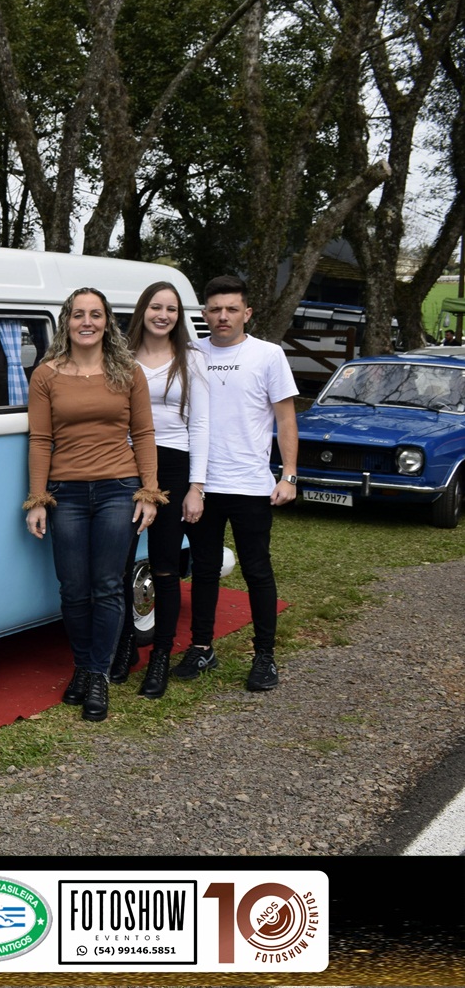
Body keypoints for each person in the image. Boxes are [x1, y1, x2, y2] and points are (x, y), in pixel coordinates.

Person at [25, 287, 164, 721]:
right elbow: (40, 440)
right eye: (79, 314)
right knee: (72, 588)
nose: (87, 322)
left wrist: (149, 492)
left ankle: (98, 674)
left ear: (107, 323)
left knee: (106, 585)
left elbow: (144, 434)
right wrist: (37, 499)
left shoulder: (128, 373)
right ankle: (83, 666)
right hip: (65, 493)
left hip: (117, 490)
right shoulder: (46, 375)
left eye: (96, 314)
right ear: (66, 321)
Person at [178, 274, 298, 691]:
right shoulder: (190, 353)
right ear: (204, 313)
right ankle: (201, 648)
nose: (223, 316)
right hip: (202, 485)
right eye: (215, 309)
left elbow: (286, 418)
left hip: (250, 485)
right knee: (204, 569)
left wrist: (289, 475)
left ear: (247, 312)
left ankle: (264, 656)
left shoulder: (268, 355)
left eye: (231, 309)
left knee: (257, 571)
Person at [113, 282, 209, 698]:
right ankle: (125, 647)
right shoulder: (122, 356)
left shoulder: (192, 358)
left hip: (173, 464)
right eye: (156, 307)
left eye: (171, 309)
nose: (163, 315)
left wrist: (196, 486)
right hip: (125, 462)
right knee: (118, 563)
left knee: (166, 565)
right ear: (143, 310)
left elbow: (201, 424)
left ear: (178, 316)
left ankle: (161, 657)